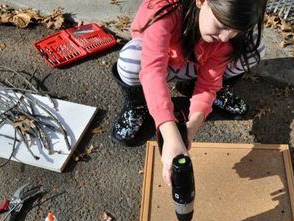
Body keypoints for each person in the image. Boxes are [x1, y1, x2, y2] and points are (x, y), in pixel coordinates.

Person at [111, 0, 267, 185]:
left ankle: (195, 88)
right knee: (131, 59)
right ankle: (138, 103)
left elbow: (208, 85)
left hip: (194, 63)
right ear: (202, 2)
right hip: (159, 61)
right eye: (221, 25)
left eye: (234, 30)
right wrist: (169, 133)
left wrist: (190, 129)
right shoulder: (165, 10)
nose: (226, 37)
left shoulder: (224, 39)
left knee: (254, 49)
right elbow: (153, 72)